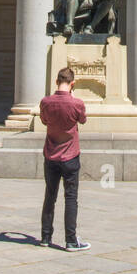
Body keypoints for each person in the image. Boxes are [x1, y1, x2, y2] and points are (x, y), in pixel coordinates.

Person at [40, 67, 90, 250]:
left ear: (56, 82)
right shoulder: (77, 103)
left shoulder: (46, 102)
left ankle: (45, 237)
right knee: (70, 198)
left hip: (51, 155)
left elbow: (44, 121)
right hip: (70, 155)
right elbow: (83, 120)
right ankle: (70, 240)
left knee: (50, 196)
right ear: (72, 83)